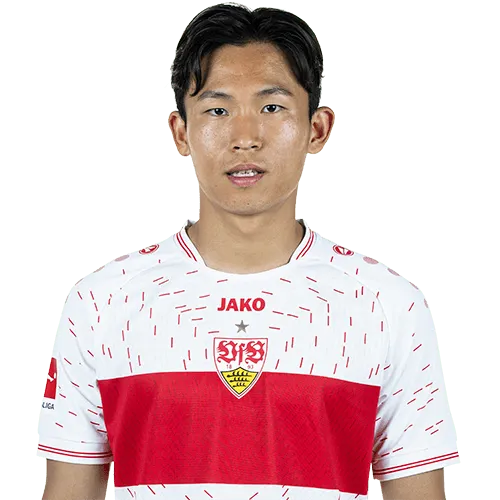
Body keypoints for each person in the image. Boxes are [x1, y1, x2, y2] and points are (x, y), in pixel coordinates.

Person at [37, 4, 459, 499]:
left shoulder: (389, 304)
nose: (245, 138)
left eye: (271, 107)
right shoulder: (101, 301)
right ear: (180, 132)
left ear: (318, 129)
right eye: (218, 110)